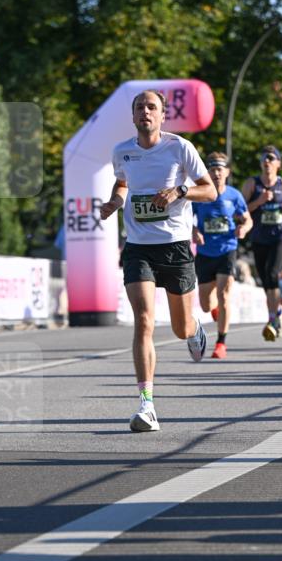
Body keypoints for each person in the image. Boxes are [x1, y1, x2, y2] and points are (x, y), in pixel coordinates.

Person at [100, 89, 216, 433]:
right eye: (140, 107)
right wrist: (114, 202)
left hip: (176, 246)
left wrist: (179, 192)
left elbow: (209, 190)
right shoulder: (122, 151)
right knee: (145, 320)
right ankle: (146, 405)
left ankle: (195, 329)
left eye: (152, 107)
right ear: (133, 115)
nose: (145, 112)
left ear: (163, 115)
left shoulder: (180, 148)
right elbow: (123, 183)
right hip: (138, 247)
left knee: (180, 328)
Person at [192, 152, 252, 359]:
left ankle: (221, 343)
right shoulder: (199, 195)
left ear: (227, 172)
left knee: (224, 295)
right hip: (205, 252)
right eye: (212, 169)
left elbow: (247, 219)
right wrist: (194, 232)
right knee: (206, 304)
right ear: (207, 172)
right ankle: (216, 312)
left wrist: (244, 229)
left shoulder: (234, 195)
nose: (216, 173)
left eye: (220, 169)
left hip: (227, 249)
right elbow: (185, 219)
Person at [242, 144, 282, 341]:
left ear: (278, 164)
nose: (266, 161)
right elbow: (240, 211)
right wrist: (258, 202)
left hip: (280, 235)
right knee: (265, 278)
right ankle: (278, 313)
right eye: (263, 158)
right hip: (259, 237)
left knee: (273, 272)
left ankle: (273, 320)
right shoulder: (252, 184)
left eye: (270, 158)